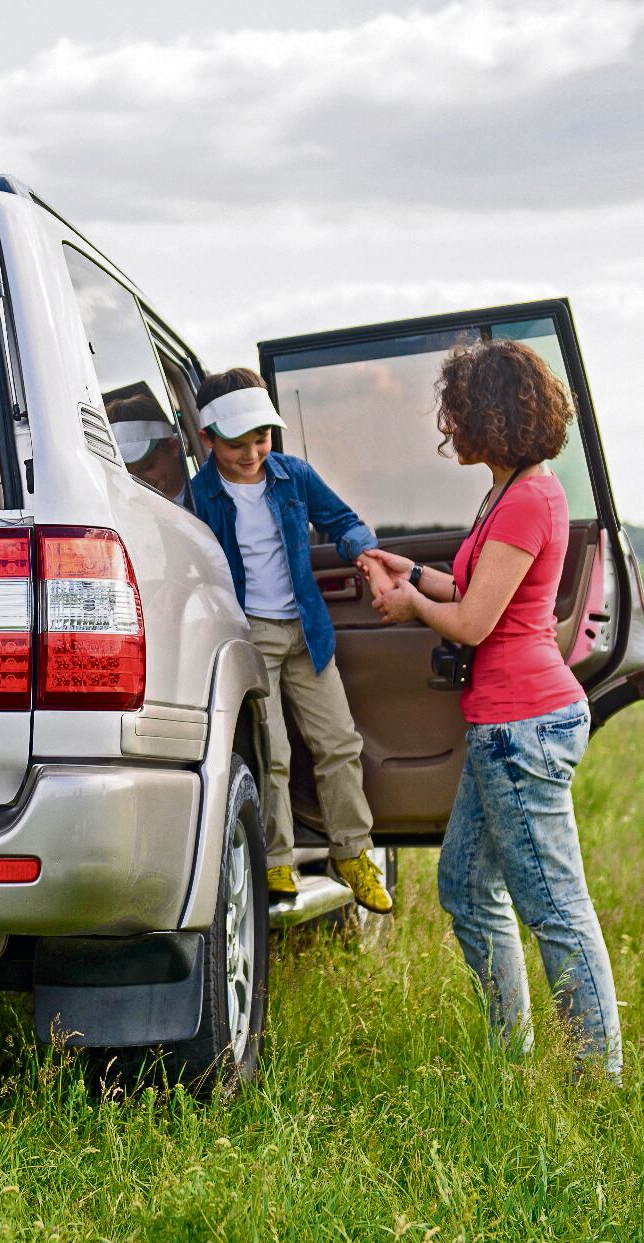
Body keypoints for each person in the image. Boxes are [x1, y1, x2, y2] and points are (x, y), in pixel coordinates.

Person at [360, 339, 622, 1081]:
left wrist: (409, 603)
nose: (450, 425)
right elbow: (476, 591)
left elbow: (474, 623)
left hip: (521, 728)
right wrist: (409, 571)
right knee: (466, 889)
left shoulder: (530, 496)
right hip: (505, 724)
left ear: (490, 415)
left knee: (555, 909)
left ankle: (595, 1082)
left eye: (459, 410)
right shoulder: (509, 493)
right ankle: (509, 1054)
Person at [188, 368, 393, 913]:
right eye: (237, 444)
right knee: (272, 751)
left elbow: (342, 519)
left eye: (262, 438)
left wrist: (363, 551)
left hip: (307, 631)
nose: (253, 452)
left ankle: (352, 852)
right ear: (207, 439)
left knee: (339, 742)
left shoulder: (293, 477)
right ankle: (276, 860)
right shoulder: (199, 496)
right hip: (251, 633)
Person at [106, 390, 193, 508]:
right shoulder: (122, 511)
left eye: (147, 466)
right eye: (127, 474)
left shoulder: (207, 488)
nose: (138, 481)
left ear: (173, 446)